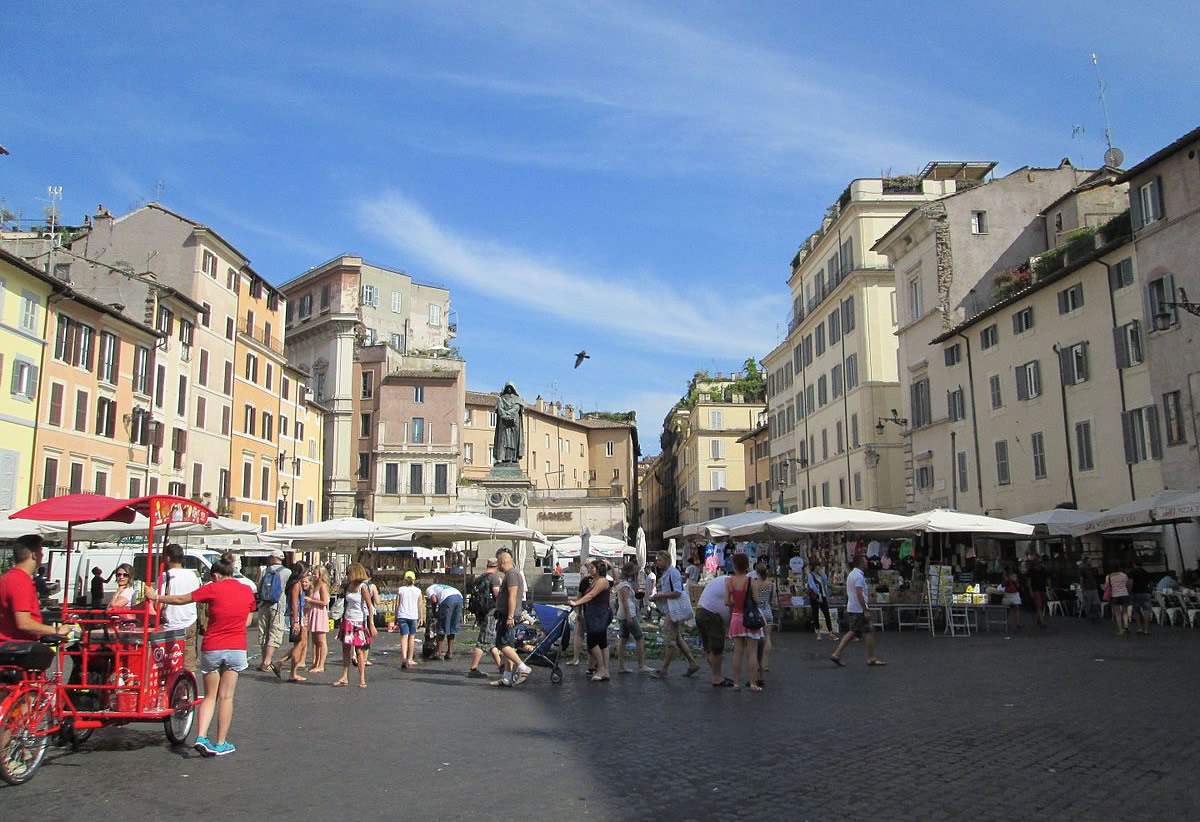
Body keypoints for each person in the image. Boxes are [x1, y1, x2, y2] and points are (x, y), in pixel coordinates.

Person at [145, 556, 255, 757]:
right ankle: (221, 742)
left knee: (210, 695)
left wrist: (156, 597)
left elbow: (181, 599)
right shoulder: (246, 590)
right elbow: (248, 619)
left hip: (213, 646)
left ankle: (201, 736)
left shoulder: (213, 588)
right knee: (227, 696)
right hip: (236, 647)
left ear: (215, 575)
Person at [0, 535, 72, 642]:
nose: (42, 555)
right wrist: (56, 630)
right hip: (18, 647)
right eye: (41, 551)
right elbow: (24, 624)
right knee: (45, 653)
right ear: (34, 555)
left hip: (10, 645)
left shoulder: (7, 578)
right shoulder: (21, 581)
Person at [649, 550, 700, 679]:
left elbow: (677, 592)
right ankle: (693, 663)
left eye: (659, 560)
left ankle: (663, 670)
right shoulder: (666, 573)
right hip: (669, 610)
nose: (657, 562)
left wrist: (661, 595)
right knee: (677, 638)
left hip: (673, 611)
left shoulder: (673, 573)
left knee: (670, 640)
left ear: (666, 560)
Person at [830, 554, 885, 668]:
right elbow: (859, 593)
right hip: (858, 609)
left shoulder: (851, 574)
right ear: (860, 562)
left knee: (859, 631)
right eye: (865, 560)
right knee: (858, 631)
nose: (866, 562)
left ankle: (869, 657)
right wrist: (865, 610)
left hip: (853, 607)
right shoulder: (859, 577)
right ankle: (838, 653)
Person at [489, 551, 532, 687]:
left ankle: (523, 667)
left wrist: (510, 616)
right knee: (509, 645)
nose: (497, 566)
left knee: (502, 644)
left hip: (508, 615)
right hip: (506, 614)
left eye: (498, 562)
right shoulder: (510, 574)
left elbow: (512, 596)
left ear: (502, 562)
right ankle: (507, 677)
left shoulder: (512, 574)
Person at [567, 559, 612, 682]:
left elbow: (591, 595)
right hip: (593, 613)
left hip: (599, 614)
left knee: (592, 641)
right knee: (601, 642)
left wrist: (576, 603)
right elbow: (584, 594)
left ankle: (602, 668)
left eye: (592, 567)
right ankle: (605, 671)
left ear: (598, 569)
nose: (589, 569)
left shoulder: (602, 581)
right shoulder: (594, 580)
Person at [158, 543, 201, 671]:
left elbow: (158, 603)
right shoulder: (193, 575)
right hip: (190, 621)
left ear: (168, 558)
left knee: (170, 663)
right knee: (189, 664)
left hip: (171, 624)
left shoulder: (166, 576)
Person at [332, 563, 375, 688]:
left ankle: (362, 678)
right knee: (346, 649)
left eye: (348, 572)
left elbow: (369, 606)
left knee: (359, 651)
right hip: (347, 620)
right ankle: (344, 676)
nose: (347, 574)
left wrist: (371, 624)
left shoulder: (363, 587)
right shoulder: (348, 585)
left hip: (359, 621)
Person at [725, 553, 763, 692]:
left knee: (737, 652)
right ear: (747, 565)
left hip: (736, 617)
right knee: (752, 652)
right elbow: (757, 601)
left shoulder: (729, 581)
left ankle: (736, 683)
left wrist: (735, 601)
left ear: (734, 565)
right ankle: (753, 683)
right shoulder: (751, 581)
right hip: (750, 618)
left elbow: (726, 602)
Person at [614, 561, 653, 675]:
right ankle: (641, 664)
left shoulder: (624, 584)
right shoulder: (625, 585)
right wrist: (629, 617)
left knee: (623, 639)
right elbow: (625, 602)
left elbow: (634, 592)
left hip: (623, 614)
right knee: (639, 637)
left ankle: (621, 666)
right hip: (628, 614)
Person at [694, 573, 732, 687]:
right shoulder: (731, 583)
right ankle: (717, 678)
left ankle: (717, 674)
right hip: (710, 614)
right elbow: (733, 603)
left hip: (701, 612)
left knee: (709, 647)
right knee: (716, 647)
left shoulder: (724, 580)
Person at [255, 550, 291, 673]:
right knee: (274, 632)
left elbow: (259, 587)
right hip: (278, 605)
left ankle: (263, 661)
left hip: (264, 604)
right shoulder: (287, 572)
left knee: (263, 632)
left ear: (272, 558)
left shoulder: (265, 570)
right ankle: (267, 661)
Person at [466, 560, 502, 679]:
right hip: (490, 611)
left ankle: (500, 666)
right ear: (496, 567)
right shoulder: (494, 578)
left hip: (480, 611)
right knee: (484, 640)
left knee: (491, 640)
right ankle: (473, 669)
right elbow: (497, 594)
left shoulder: (480, 577)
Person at [274, 562, 308, 681]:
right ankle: (292, 672)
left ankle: (280, 663)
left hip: (298, 615)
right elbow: (294, 603)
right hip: (295, 617)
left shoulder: (297, 584)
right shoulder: (296, 585)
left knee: (301, 644)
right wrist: (296, 621)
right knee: (298, 645)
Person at [751, 557, 775, 678]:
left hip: (758, 612)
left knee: (756, 639)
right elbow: (771, 598)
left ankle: (757, 663)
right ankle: (766, 664)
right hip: (767, 611)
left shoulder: (754, 583)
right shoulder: (770, 583)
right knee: (768, 638)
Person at [426, 582, 464, 660]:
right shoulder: (441, 587)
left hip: (448, 599)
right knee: (452, 625)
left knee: (442, 625)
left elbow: (433, 600)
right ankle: (450, 652)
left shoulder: (429, 589)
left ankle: (438, 652)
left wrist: (434, 611)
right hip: (459, 597)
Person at [396, 570, 424, 669]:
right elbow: (420, 605)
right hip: (413, 616)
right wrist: (421, 617)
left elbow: (397, 604)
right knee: (411, 637)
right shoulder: (418, 591)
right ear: (414, 580)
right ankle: (410, 658)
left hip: (402, 615)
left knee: (404, 637)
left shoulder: (401, 590)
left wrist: (396, 616)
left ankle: (403, 658)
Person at [306, 565, 331, 673]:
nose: (313, 575)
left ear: (321, 574)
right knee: (315, 641)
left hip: (320, 613)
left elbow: (324, 602)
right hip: (313, 612)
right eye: (313, 573)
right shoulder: (315, 585)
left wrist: (310, 600)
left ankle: (321, 664)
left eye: (315, 573)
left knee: (321, 641)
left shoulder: (323, 586)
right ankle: (315, 663)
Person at [492, 382, 524, 464]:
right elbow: (499, 408)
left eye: (510, 387)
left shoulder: (517, 399)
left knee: (513, 441)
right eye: (508, 387)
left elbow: (516, 408)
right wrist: (504, 415)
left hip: (514, 423)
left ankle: (513, 458)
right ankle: (503, 458)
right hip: (503, 423)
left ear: (513, 388)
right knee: (503, 440)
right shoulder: (501, 398)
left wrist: (509, 414)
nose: (509, 389)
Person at [807, 562, 834, 639]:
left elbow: (826, 582)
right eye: (817, 566)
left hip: (823, 596)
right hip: (815, 597)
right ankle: (818, 633)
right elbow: (812, 585)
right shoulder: (810, 575)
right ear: (814, 567)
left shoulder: (821, 575)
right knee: (816, 615)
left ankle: (830, 633)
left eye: (819, 566)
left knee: (827, 614)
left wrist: (823, 574)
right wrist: (818, 593)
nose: (818, 568)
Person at [1106, 563, 1132, 635]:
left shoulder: (1109, 576)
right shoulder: (1124, 575)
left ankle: (1121, 630)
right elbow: (1127, 584)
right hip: (1124, 594)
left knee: (1117, 613)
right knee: (1125, 611)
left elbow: (1106, 586)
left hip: (1115, 595)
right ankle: (1126, 625)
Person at [1128, 560, 1153, 635]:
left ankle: (1139, 628)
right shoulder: (1146, 572)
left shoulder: (1132, 573)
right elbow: (1151, 583)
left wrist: (1129, 592)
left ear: (1134, 564)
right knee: (1147, 611)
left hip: (1136, 593)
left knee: (1136, 610)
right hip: (1146, 592)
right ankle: (1146, 629)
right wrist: (1150, 591)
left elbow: (1130, 583)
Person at [1027, 556, 1049, 629]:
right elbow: (1029, 581)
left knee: (1042, 604)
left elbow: (1047, 578)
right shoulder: (1032, 570)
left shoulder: (1043, 570)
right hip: (1035, 589)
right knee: (1039, 605)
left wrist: (1050, 587)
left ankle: (1039, 618)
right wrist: (1030, 590)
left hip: (1042, 588)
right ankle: (1042, 622)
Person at [1078, 558, 1101, 624]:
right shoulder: (1082, 569)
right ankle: (1090, 618)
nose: (1091, 562)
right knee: (1089, 604)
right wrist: (1083, 589)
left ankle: (1093, 617)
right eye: (1089, 560)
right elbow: (1081, 579)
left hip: (1093, 588)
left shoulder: (1091, 569)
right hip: (1087, 588)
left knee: (1095, 603)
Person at [1002, 565, 1023, 632]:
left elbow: (1018, 584)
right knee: (1007, 609)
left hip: (1014, 593)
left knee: (1017, 607)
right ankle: (1006, 621)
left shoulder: (1015, 575)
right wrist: (1007, 579)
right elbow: (1003, 584)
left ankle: (1018, 622)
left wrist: (1014, 581)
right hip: (1008, 593)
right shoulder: (1005, 576)